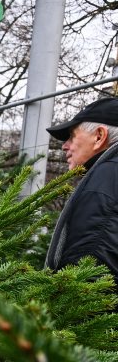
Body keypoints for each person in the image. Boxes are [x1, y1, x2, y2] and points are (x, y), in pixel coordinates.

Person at [44, 97, 118, 279]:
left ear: (99, 136)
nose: (64, 146)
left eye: (72, 136)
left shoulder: (106, 177)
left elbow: (89, 268)